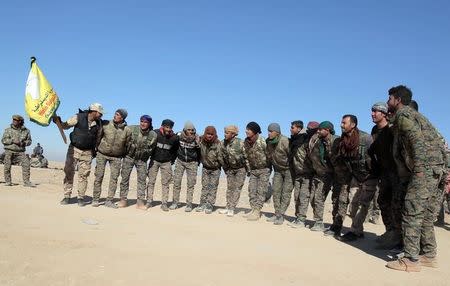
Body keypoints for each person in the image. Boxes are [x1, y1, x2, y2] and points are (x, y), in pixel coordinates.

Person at [386, 85, 446, 272]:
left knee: (411, 211)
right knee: (426, 216)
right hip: (436, 170)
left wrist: (419, 168)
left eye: (390, 99)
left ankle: (411, 259)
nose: (388, 102)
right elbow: (439, 142)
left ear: (398, 100)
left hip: (424, 170)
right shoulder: (419, 117)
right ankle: (428, 255)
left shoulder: (404, 115)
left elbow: (416, 140)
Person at [331, 115, 373, 239]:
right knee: (353, 206)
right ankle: (358, 231)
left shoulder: (365, 138)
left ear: (353, 125)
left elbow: (376, 157)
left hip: (370, 175)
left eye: (344, 123)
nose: (341, 125)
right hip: (356, 175)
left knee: (363, 204)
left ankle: (354, 231)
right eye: (341, 122)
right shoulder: (342, 141)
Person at [56, 104, 104, 206]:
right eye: (100, 113)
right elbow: (65, 126)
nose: (101, 115)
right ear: (94, 111)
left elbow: (98, 138)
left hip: (87, 152)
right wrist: (58, 121)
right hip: (74, 149)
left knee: (84, 175)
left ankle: (80, 197)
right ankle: (66, 196)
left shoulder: (99, 124)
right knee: (69, 172)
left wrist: (94, 151)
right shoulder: (78, 117)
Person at [92, 108, 132, 208]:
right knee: (99, 176)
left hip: (116, 158)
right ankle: (95, 199)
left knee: (114, 179)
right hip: (102, 154)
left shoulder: (127, 130)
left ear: (122, 118)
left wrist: (122, 154)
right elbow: (99, 136)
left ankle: (109, 200)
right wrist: (95, 149)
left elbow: (128, 144)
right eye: (115, 113)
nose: (115, 116)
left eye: (118, 114)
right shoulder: (105, 124)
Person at [306, 121, 340, 231]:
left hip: (331, 175)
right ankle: (318, 220)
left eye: (320, 129)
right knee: (312, 198)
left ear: (328, 130)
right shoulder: (316, 140)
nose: (318, 131)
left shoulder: (336, 140)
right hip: (318, 173)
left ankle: (320, 222)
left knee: (320, 198)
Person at [119, 115, 157, 209]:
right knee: (124, 179)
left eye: (145, 122)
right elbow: (123, 140)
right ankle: (123, 200)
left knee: (142, 181)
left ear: (149, 124)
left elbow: (152, 149)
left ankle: (140, 202)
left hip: (142, 161)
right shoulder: (131, 129)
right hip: (129, 157)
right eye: (142, 121)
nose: (143, 124)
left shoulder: (153, 135)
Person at [288, 121, 319, 228]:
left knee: (304, 197)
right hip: (298, 173)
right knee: (297, 197)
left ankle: (301, 219)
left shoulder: (312, 141)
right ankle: (298, 217)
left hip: (307, 174)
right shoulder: (298, 140)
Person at [147, 119, 179, 211]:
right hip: (154, 161)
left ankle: (164, 203)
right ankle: (149, 201)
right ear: (162, 126)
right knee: (151, 181)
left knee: (166, 183)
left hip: (166, 163)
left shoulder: (174, 138)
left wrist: (171, 161)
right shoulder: (155, 133)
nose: (168, 129)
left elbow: (175, 151)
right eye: (167, 127)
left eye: (170, 127)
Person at [266, 123, 293, 225]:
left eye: (271, 131)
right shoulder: (269, 142)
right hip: (277, 170)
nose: (269, 133)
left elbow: (291, 155)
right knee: (276, 191)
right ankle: (277, 213)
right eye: (268, 131)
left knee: (285, 193)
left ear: (277, 132)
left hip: (288, 170)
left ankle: (281, 215)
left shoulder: (284, 141)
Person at [219, 125, 249, 217]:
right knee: (230, 188)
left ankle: (232, 208)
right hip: (230, 169)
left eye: (227, 133)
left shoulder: (240, 143)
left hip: (241, 169)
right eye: (225, 132)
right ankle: (228, 207)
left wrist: (249, 170)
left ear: (233, 134)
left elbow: (246, 156)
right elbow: (221, 157)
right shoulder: (222, 143)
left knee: (237, 189)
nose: (225, 134)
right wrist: (226, 169)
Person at [243, 122, 271, 221]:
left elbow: (269, 154)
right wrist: (248, 169)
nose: (246, 131)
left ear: (254, 131)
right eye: (246, 129)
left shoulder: (262, 141)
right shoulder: (246, 142)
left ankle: (257, 211)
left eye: (248, 129)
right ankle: (253, 209)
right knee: (252, 191)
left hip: (264, 169)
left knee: (261, 191)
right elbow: (245, 156)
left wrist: (268, 167)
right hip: (253, 170)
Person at [171, 121, 201, 212]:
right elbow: (174, 146)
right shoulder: (179, 136)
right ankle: (175, 202)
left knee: (191, 184)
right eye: (189, 130)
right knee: (176, 182)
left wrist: (197, 162)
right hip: (180, 161)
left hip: (192, 163)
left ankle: (189, 204)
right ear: (185, 129)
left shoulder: (197, 138)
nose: (191, 131)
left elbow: (200, 151)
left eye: (192, 130)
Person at [196, 126, 224, 214]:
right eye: (208, 134)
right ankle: (202, 203)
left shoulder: (218, 143)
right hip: (205, 168)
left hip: (215, 169)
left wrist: (224, 167)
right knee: (204, 186)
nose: (210, 136)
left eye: (212, 134)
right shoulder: (202, 141)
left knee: (212, 187)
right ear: (205, 133)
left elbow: (220, 157)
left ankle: (210, 204)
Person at [2, 114, 34, 187]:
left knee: (26, 164)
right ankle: (8, 181)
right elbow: (3, 140)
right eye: (13, 120)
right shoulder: (8, 130)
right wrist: (12, 140)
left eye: (16, 120)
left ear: (20, 121)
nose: (14, 121)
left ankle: (26, 182)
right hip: (9, 151)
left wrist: (23, 143)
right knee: (7, 166)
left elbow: (29, 141)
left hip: (20, 152)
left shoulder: (26, 131)